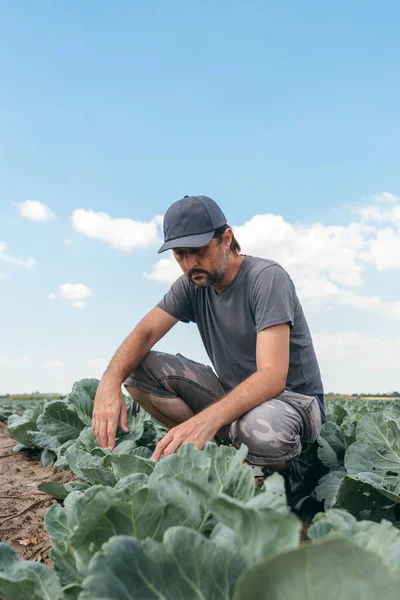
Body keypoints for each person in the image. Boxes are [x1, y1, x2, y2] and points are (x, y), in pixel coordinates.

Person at [92, 195, 324, 477]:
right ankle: (227, 461)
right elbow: (145, 333)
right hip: (235, 402)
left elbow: (272, 377)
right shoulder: (193, 284)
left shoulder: (266, 278)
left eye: (197, 250)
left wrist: (204, 420)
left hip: (290, 404)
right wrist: (108, 383)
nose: (189, 264)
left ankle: (286, 474)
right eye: (179, 254)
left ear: (226, 238)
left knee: (257, 430)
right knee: (134, 368)